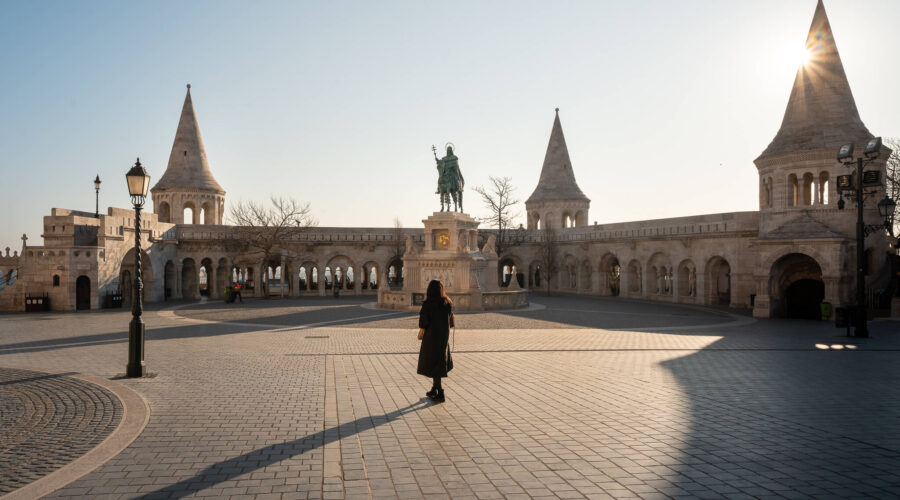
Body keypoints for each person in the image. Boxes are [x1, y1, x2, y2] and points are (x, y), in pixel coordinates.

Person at [417, 279, 454, 403]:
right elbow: (450, 320)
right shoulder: (447, 302)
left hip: (431, 338)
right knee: (438, 362)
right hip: (443, 336)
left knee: (434, 363)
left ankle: (440, 392)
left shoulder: (428, 304)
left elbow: (423, 322)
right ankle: (434, 389)